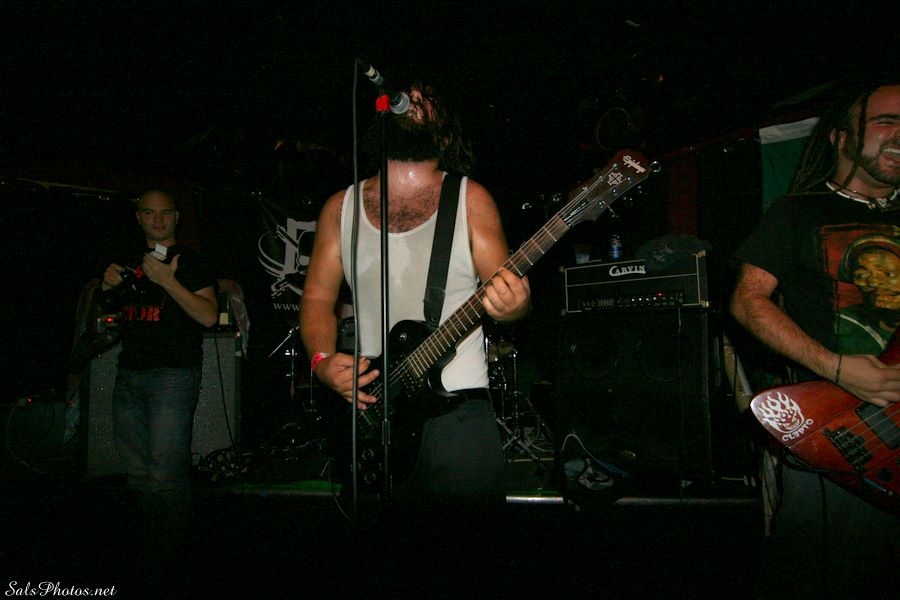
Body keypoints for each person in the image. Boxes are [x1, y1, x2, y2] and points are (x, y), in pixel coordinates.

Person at [299, 76, 531, 511]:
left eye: (428, 99)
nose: (414, 101)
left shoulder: (471, 198)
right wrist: (322, 362)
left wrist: (514, 306)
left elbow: (507, 296)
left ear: (445, 127)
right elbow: (316, 299)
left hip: (457, 408)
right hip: (373, 407)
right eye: (409, 95)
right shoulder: (340, 207)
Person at [730, 80, 900, 598]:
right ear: (841, 136)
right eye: (886, 122)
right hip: (846, 434)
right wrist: (837, 367)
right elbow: (748, 302)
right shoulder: (798, 213)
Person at [101, 189, 217, 576]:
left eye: (165, 212)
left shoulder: (193, 261)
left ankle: (170, 560)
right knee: (137, 475)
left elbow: (208, 317)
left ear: (177, 217)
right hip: (129, 372)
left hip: (173, 375)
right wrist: (107, 289)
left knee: (166, 475)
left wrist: (169, 281)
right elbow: (109, 314)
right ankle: (152, 548)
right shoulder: (128, 263)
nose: (158, 220)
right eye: (149, 213)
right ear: (138, 217)